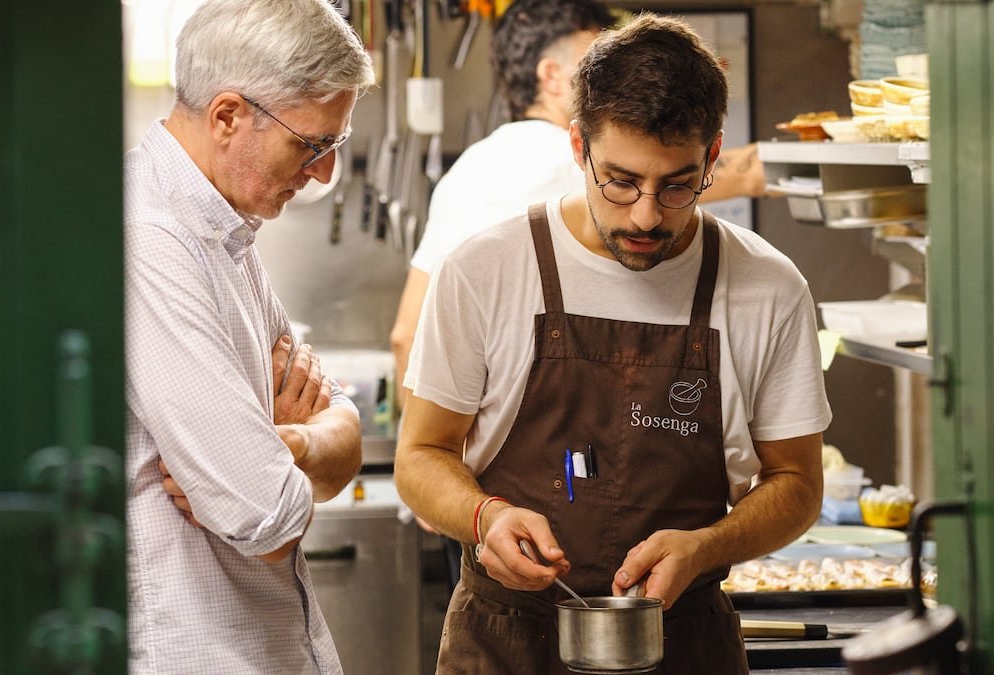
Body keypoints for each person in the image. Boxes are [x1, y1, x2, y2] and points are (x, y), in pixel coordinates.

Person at [394, 13, 830, 674]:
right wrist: (485, 515)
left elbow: (797, 483)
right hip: (507, 642)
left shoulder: (769, 288)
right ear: (578, 146)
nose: (647, 215)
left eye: (678, 184)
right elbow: (421, 455)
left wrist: (707, 547)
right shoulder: (485, 270)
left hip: (685, 643)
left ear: (714, 156)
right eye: (620, 181)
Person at [123, 1, 373, 672]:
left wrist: (290, 441)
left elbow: (337, 428)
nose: (321, 172)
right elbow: (267, 516)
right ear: (228, 115)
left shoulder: (227, 231)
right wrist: (295, 461)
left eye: (333, 147)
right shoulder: (149, 240)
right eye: (310, 144)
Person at [389, 0, 767, 403]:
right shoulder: (566, 163)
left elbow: (406, 335)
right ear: (552, 76)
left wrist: (437, 449)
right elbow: (709, 172)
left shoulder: (472, 164)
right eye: (598, 60)